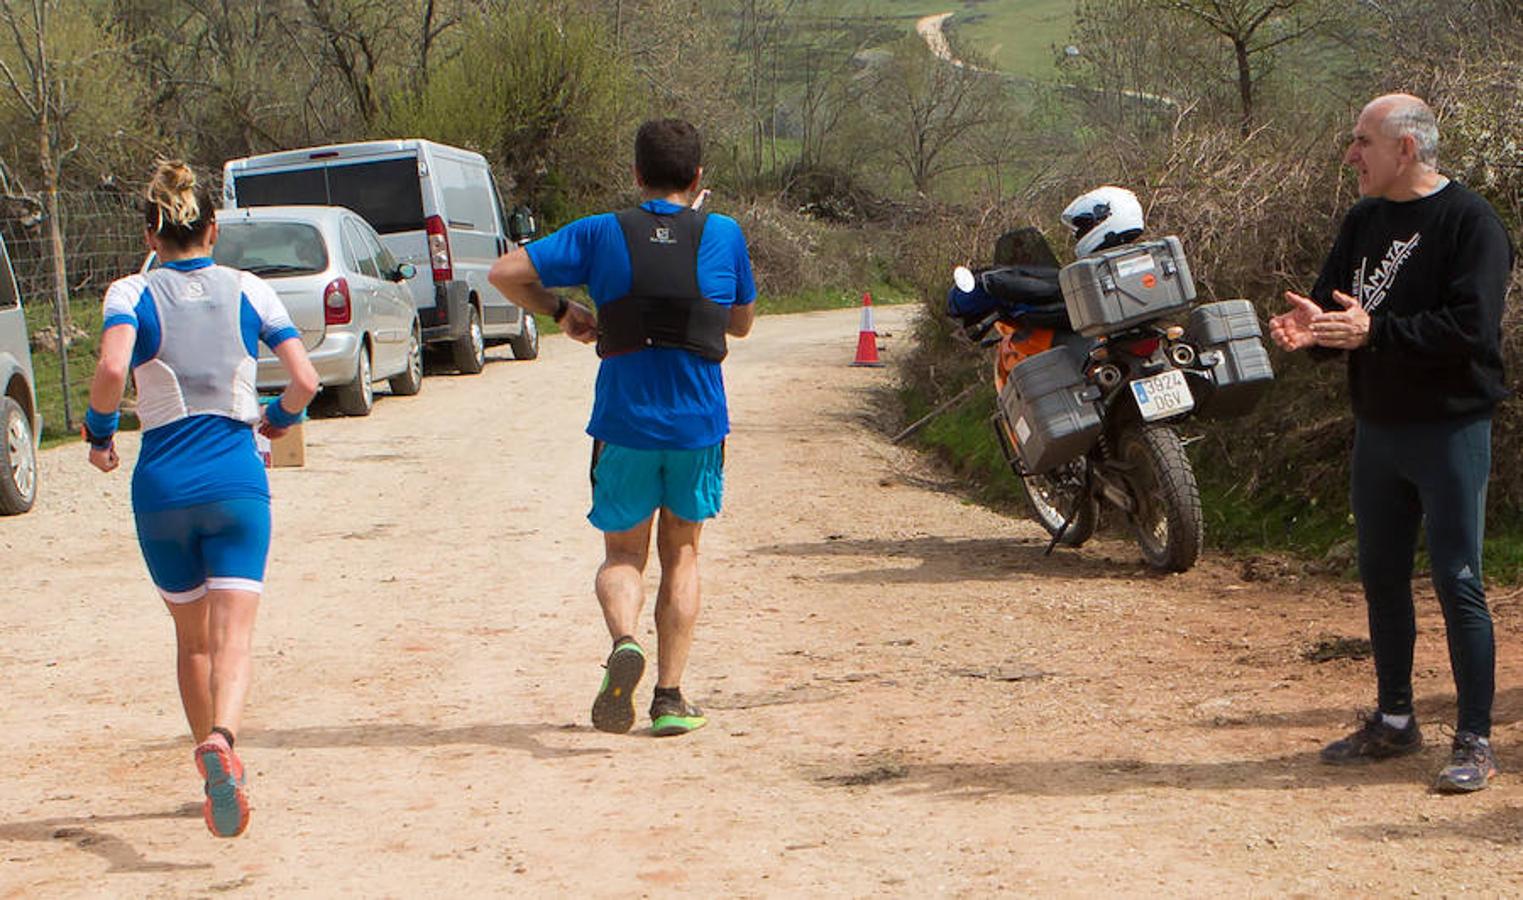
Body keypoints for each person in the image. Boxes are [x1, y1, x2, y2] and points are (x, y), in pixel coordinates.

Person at [1270, 93, 1514, 792]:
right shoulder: (1363, 219)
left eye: (1360, 141)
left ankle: (1473, 741)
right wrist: (1310, 332)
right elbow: (1334, 312)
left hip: (1449, 429)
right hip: (1377, 428)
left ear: (1403, 149)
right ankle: (1396, 722)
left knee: (1457, 580)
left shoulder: (1470, 223)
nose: (1349, 154)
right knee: (1380, 578)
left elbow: (1470, 330)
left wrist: (1374, 333)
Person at [489, 118, 756, 737]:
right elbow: (740, 324)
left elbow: (505, 272)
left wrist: (562, 309)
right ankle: (669, 698)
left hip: (623, 424)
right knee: (682, 554)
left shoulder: (600, 232)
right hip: (696, 426)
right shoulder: (723, 233)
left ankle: (624, 642)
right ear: (696, 177)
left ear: (636, 175)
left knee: (622, 554)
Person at [86, 160, 319, 835]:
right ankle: (224, 740)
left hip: (161, 485)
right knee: (234, 639)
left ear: (150, 232)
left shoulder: (131, 290)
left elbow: (110, 368)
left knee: (192, 641)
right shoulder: (249, 288)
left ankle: (206, 765)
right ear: (212, 230)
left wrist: (100, 434)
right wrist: (275, 419)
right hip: (234, 479)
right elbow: (303, 379)